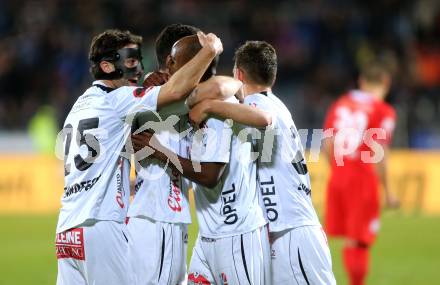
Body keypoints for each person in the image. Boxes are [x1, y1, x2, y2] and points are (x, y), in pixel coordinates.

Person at [55, 28, 223, 285]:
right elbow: (178, 91)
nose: (138, 70)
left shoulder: (81, 104)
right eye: (131, 61)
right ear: (108, 67)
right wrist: (210, 49)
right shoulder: (117, 99)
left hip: (67, 231)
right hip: (100, 225)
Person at [189, 41, 336, 285]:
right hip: (285, 230)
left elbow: (219, 92)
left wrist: (207, 106)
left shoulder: (257, 106)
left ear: (238, 74)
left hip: (293, 233)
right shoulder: (277, 104)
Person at [131, 44, 272, 284]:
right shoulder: (195, 103)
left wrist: (160, 151)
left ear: (192, 65)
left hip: (236, 235)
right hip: (207, 236)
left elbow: (210, 175)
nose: (168, 67)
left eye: (173, 62)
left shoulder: (219, 106)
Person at [323, 61, 399, 285]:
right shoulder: (383, 110)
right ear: (386, 83)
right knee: (358, 241)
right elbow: (380, 152)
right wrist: (389, 191)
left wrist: (338, 171)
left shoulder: (341, 103)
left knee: (327, 236)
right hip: (363, 180)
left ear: (362, 81)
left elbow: (327, 142)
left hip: (337, 177)